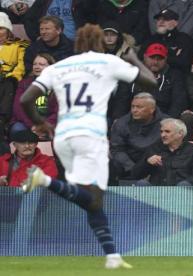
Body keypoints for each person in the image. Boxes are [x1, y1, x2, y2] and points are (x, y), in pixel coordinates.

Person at [19, 24, 157, 269]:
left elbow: (27, 98)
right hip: (90, 135)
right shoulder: (107, 62)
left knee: (89, 199)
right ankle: (44, 180)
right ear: (100, 43)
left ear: (77, 44)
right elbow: (150, 82)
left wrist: (40, 123)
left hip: (62, 136)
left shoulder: (58, 67)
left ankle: (112, 256)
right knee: (94, 198)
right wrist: (134, 58)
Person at [110, 93, 169, 182]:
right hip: (129, 166)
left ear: (152, 109)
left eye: (139, 107)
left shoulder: (167, 123)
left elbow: (173, 148)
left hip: (156, 164)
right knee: (112, 163)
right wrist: (135, 169)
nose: (134, 110)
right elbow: (117, 150)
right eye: (133, 106)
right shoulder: (121, 124)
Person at [131, 118, 193, 186]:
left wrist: (185, 183)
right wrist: (147, 162)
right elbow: (135, 175)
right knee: (142, 183)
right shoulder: (154, 149)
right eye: (161, 132)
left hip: (182, 194)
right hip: (156, 194)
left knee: (184, 186)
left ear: (180, 133)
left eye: (167, 132)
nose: (162, 135)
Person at [10, 53, 57, 136]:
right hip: (28, 122)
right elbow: (18, 107)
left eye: (41, 64)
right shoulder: (24, 83)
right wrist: (33, 125)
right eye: (34, 64)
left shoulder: (58, 84)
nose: (36, 67)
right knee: (17, 128)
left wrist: (46, 125)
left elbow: (59, 110)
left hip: (50, 122)